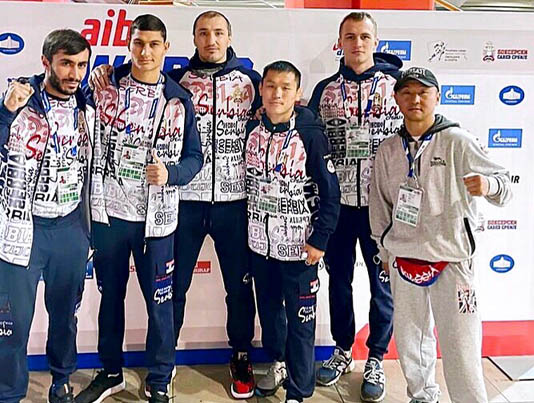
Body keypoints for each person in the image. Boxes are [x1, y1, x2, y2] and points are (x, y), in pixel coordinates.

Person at [75, 14, 202, 403]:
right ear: (129, 46)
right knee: (110, 299)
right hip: (110, 217)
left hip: (157, 222)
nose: (145, 52)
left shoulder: (179, 100)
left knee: (160, 304)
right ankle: (111, 373)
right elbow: (67, 106)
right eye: (138, 44)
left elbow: (195, 158)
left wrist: (171, 174)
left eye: (153, 44)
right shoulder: (103, 87)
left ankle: (160, 378)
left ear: (166, 48)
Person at [0, 29, 93, 403]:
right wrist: (4, 110)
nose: (74, 73)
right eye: (66, 64)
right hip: (20, 231)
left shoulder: (88, 108)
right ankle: (8, 395)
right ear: (46, 62)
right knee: (13, 324)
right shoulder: (17, 101)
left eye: (81, 65)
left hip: (69, 228)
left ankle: (61, 380)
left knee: (65, 317)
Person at [369, 67, 512, 403]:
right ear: (396, 99)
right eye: (407, 93)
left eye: (423, 92)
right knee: (411, 341)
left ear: (437, 96)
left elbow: (504, 185)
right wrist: (384, 252)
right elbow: (379, 203)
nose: (415, 100)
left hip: (451, 258)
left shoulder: (458, 141)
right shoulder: (388, 149)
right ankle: (422, 396)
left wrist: (488, 185)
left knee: (461, 345)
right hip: (404, 257)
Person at [308, 12, 403, 402]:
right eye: (350, 37)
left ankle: (376, 356)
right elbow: (309, 139)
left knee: (383, 285)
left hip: (383, 207)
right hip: (339, 206)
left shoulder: (397, 87)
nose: (358, 43)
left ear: (375, 42)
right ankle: (343, 349)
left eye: (364, 36)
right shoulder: (325, 90)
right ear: (340, 43)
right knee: (339, 282)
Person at [167, 10, 261, 399]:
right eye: (204, 33)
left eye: (218, 32)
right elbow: (135, 78)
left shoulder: (253, 82)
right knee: (173, 286)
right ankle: (164, 360)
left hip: (234, 203)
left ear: (229, 37)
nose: (211, 40)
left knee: (238, 288)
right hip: (186, 201)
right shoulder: (175, 82)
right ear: (194, 38)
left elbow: (285, 112)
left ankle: (241, 355)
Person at [246, 60, 340, 403]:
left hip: (300, 249)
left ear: (298, 93)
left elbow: (331, 193)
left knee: (301, 324)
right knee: (270, 315)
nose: (277, 94)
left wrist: (319, 240)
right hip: (260, 245)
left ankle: (299, 391)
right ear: (261, 89)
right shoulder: (250, 130)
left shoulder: (310, 135)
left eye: (286, 87)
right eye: (271, 86)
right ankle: (279, 363)